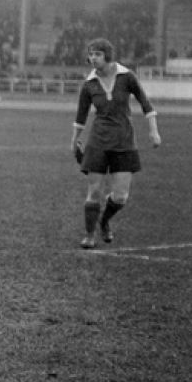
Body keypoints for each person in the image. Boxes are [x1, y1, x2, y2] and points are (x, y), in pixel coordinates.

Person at [71, 38, 161, 249]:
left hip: (124, 141)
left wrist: (154, 131)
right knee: (94, 191)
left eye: (98, 54)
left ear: (107, 55)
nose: (93, 58)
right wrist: (74, 140)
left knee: (121, 196)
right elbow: (80, 116)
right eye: (91, 54)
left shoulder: (127, 77)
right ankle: (89, 235)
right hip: (98, 141)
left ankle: (104, 221)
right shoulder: (89, 84)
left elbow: (146, 104)